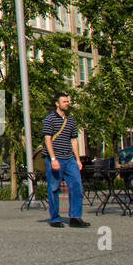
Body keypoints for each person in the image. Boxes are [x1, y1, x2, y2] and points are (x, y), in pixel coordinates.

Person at [43, 93, 89, 227]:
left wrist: (78, 159)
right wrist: (53, 159)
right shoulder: (49, 119)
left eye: (67, 101)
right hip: (55, 158)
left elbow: (74, 140)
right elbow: (48, 139)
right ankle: (55, 218)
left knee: (76, 187)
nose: (67, 104)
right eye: (64, 101)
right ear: (57, 104)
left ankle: (75, 217)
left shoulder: (71, 121)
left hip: (69, 159)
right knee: (54, 188)